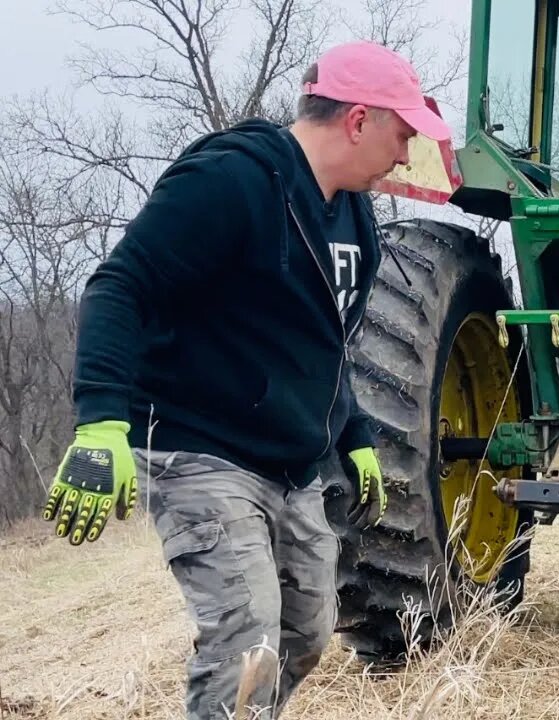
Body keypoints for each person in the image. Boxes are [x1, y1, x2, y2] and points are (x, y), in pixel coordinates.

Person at [39, 41, 451, 719]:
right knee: (245, 642)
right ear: (357, 120)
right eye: (402, 133)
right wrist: (100, 424)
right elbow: (118, 286)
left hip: (292, 463)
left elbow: (328, 340)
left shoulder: (353, 214)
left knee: (308, 633)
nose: (406, 153)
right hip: (202, 449)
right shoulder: (232, 179)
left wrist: (355, 433)